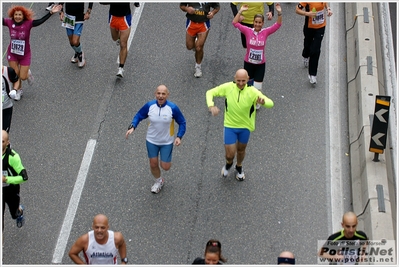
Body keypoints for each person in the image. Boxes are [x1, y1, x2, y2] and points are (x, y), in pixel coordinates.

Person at [206, 69, 274, 181]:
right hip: (230, 126)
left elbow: (271, 103)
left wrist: (263, 102)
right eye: (238, 80)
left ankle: (239, 166)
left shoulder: (252, 91)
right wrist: (211, 106)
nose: (241, 83)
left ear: (248, 79)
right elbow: (209, 92)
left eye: (243, 80)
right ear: (234, 78)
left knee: (241, 150)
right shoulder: (228, 87)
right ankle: (228, 164)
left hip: (245, 127)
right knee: (229, 155)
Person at [125, 85, 186, 194]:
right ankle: (159, 181)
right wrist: (132, 126)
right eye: (158, 93)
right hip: (151, 140)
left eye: (163, 94)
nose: (160, 96)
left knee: (165, 166)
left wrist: (179, 136)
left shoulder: (173, 108)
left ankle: (165, 164)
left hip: (166, 142)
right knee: (153, 163)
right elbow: (139, 115)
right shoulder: (149, 106)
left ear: (168, 95)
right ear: (155, 94)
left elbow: (182, 122)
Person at [2, 4, 62, 101]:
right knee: (15, 75)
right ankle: (19, 90)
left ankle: (27, 73)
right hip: (12, 54)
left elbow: (40, 21)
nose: (17, 16)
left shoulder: (28, 24)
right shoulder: (9, 22)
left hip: (25, 55)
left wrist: (50, 13)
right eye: (16, 14)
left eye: (20, 15)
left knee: (23, 77)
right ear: (13, 15)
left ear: (23, 16)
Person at [232, 3, 282, 109]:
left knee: (258, 87)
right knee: (247, 86)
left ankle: (257, 101)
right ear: (253, 22)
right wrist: (240, 11)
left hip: (260, 65)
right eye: (256, 22)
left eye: (260, 23)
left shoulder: (265, 32)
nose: (257, 24)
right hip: (249, 63)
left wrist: (279, 12)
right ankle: (245, 100)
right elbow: (235, 23)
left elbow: (278, 25)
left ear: (263, 23)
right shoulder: (247, 31)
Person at [180, 2, 220, 78]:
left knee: (199, 47)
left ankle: (198, 67)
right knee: (189, 46)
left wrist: (212, 13)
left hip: (203, 24)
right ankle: (196, 43)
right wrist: (187, 9)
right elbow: (182, 6)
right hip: (191, 23)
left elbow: (217, 7)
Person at [296, 2, 333, 85]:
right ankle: (305, 55)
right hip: (309, 27)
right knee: (307, 45)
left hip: (321, 27)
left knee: (315, 50)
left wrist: (328, 9)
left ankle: (313, 74)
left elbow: (325, 3)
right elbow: (297, 10)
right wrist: (307, 13)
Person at [100, 2, 140, 78]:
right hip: (113, 17)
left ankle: (121, 68)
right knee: (114, 38)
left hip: (125, 17)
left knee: (123, 44)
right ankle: (119, 37)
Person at [2, 130, 28, 231]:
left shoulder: (13, 157)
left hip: (10, 191)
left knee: (14, 214)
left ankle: (19, 211)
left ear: (8, 143)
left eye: (2, 141)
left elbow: (24, 177)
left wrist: (6, 179)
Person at [58, 2, 94, 68]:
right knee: (71, 41)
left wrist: (88, 12)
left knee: (75, 41)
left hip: (79, 17)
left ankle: (80, 54)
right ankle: (77, 52)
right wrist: (61, 12)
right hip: (68, 17)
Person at [2, 66, 19, 132]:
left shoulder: (8, 71)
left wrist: (15, 90)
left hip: (6, 107)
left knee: (4, 133)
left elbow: (16, 81)